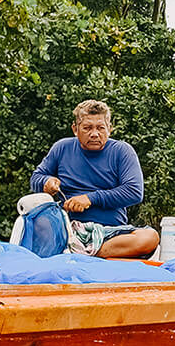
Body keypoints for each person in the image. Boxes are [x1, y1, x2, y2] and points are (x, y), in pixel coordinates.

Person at [30, 100, 160, 259]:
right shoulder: (61, 148)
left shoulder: (122, 151)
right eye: (87, 128)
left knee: (149, 238)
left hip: (110, 234)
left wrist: (90, 199)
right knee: (37, 223)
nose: (94, 134)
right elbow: (36, 178)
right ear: (75, 129)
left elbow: (134, 191)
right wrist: (47, 182)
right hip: (67, 230)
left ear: (110, 129)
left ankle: (85, 252)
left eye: (100, 128)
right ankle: (77, 249)